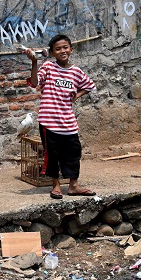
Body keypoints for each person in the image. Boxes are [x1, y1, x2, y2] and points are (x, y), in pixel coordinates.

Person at [24, 34, 97, 199]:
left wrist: (76, 96)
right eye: (58, 49)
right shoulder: (48, 67)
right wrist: (34, 62)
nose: (62, 51)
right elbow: (35, 83)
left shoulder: (76, 71)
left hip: (69, 122)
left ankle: (73, 185)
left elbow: (90, 86)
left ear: (71, 49)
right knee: (53, 155)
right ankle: (56, 185)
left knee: (73, 153)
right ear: (52, 53)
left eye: (65, 47)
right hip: (49, 122)